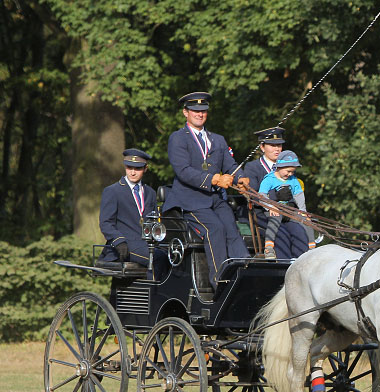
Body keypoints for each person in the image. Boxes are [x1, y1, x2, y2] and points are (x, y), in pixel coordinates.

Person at [162, 91, 250, 288]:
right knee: (214, 229)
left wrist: (241, 178)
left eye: (203, 111)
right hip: (190, 199)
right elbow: (183, 171)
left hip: (215, 199)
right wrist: (214, 179)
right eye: (195, 111)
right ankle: (220, 281)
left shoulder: (218, 139)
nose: (200, 114)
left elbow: (230, 165)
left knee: (231, 227)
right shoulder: (177, 138)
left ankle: (244, 272)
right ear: (186, 112)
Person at [99, 148, 156, 269]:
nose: (133, 172)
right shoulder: (112, 191)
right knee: (156, 259)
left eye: (138, 168)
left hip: (148, 245)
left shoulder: (150, 193)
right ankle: (155, 288)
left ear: (146, 168)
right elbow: (106, 223)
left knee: (174, 258)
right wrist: (119, 241)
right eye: (129, 168)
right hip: (126, 245)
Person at [258, 150, 314, 259]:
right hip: (274, 210)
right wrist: (270, 207)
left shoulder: (293, 180)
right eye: (288, 171)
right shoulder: (269, 179)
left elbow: (299, 195)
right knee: (275, 219)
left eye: (292, 172)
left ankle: (312, 248)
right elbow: (262, 195)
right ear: (279, 167)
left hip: (289, 210)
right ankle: (269, 248)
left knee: (306, 221)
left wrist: (303, 211)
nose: (290, 174)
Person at [238, 126, 286, 243]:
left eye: (279, 145)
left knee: (299, 231)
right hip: (261, 213)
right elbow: (254, 194)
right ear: (262, 147)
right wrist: (271, 205)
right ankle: (281, 260)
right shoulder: (253, 167)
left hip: (284, 212)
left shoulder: (286, 167)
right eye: (272, 145)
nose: (277, 149)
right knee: (282, 233)